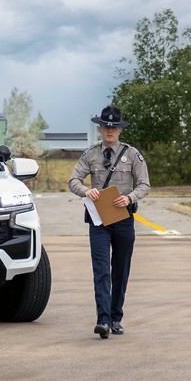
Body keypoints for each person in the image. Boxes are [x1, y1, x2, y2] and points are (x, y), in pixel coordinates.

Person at [68, 105, 150, 339]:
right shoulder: (90, 154)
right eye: (106, 126)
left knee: (120, 270)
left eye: (114, 127)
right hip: (99, 221)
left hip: (123, 218)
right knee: (101, 269)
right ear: (100, 128)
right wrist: (86, 191)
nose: (110, 130)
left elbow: (145, 184)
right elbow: (73, 180)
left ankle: (116, 317)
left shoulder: (132, 154)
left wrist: (130, 197)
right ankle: (103, 320)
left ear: (120, 130)